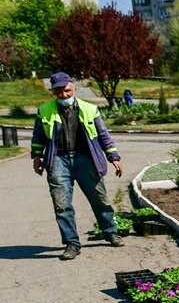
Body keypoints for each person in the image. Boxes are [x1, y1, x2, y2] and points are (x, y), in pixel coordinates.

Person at [31, 71, 125, 260]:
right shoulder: (44, 110)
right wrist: (37, 157)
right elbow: (38, 137)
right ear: (53, 92)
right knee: (61, 204)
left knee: (100, 199)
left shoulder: (90, 109)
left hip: (86, 159)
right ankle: (72, 244)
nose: (63, 95)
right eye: (58, 92)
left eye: (66, 90)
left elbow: (103, 134)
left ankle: (110, 232)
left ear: (73, 87)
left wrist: (113, 157)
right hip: (59, 160)